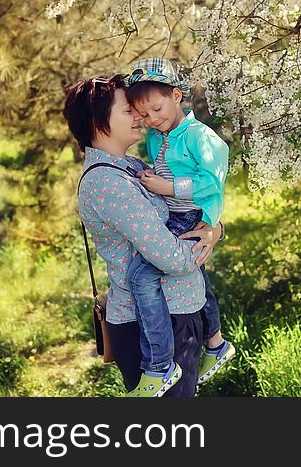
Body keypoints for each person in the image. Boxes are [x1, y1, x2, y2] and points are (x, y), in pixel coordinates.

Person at [63, 75, 224, 397]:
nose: (140, 116)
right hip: (153, 326)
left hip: (176, 313)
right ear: (99, 122)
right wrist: (208, 236)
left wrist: (215, 227)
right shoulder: (108, 184)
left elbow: (187, 207)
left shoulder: (129, 166)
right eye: (128, 111)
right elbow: (174, 259)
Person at [123, 58, 235, 389]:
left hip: (190, 216)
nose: (152, 120)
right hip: (172, 214)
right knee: (198, 276)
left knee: (143, 276)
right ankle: (215, 343)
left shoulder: (200, 137)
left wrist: (168, 188)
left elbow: (212, 181)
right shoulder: (158, 137)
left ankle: (160, 363)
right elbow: (162, 170)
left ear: (175, 95)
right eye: (143, 116)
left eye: (157, 109)